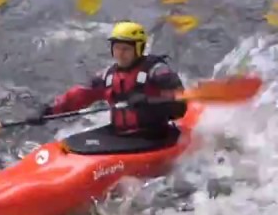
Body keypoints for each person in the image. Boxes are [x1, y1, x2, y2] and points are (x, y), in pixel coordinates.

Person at [39, 21, 188, 140]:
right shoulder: (108, 76)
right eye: (117, 48)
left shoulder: (157, 71)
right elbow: (79, 95)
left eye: (126, 49)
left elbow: (180, 102)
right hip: (120, 135)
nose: (120, 54)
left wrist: (148, 101)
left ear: (139, 49)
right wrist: (48, 112)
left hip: (154, 136)